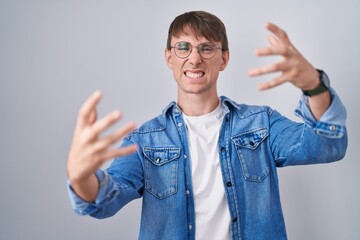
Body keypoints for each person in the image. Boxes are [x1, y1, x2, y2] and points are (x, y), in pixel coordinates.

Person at [67, 11, 347, 240]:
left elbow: (326, 145)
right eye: (183, 47)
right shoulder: (145, 140)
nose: (195, 58)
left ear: (224, 58)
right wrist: (80, 177)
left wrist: (314, 87)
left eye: (207, 48)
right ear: (169, 57)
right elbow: (104, 202)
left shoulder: (261, 124)